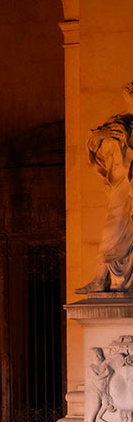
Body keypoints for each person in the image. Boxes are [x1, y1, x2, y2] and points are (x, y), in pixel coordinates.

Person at [77, 85, 133, 292]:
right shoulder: (116, 121)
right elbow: (92, 142)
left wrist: (128, 140)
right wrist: (103, 133)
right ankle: (101, 279)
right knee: (112, 229)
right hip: (120, 185)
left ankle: (103, 280)